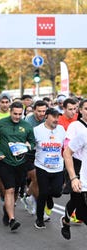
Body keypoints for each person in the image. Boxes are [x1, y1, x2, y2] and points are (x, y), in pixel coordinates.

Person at [0, 101, 35, 231]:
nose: (17, 116)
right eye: (15, 114)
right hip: (5, 162)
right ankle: (12, 219)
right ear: (10, 112)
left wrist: (29, 146)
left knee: (15, 191)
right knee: (9, 189)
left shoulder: (27, 126)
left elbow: (32, 141)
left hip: (21, 162)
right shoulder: (1, 123)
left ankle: (7, 209)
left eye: (20, 114)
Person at [33, 108, 65, 229]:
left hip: (58, 167)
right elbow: (30, 144)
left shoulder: (61, 129)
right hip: (42, 167)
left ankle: (49, 196)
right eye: (54, 117)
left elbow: (66, 146)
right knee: (43, 192)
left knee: (57, 192)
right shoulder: (37, 130)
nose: (56, 120)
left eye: (58, 117)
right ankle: (39, 219)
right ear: (46, 116)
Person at [61, 99, 87, 240]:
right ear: (80, 110)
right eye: (86, 108)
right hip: (77, 165)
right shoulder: (76, 126)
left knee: (78, 203)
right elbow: (67, 148)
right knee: (76, 199)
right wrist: (73, 176)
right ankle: (66, 220)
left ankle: (68, 218)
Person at [22, 100, 48, 215]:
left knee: (40, 180)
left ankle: (27, 195)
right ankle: (40, 209)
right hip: (29, 154)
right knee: (36, 178)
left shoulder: (47, 119)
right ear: (34, 110)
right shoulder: (28, 120)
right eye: (39, 111)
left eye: (44, 111)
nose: (42, 114)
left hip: (42, 153)